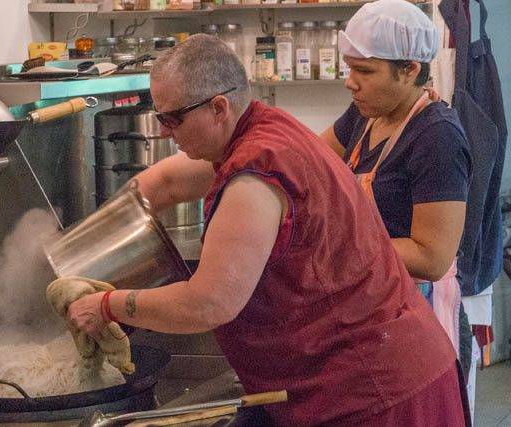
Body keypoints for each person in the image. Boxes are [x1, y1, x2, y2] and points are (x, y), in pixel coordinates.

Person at [65, 34, 468, 426]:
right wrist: (82, 241)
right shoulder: (262, 129)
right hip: (369, 372)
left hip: (372, 393)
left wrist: (105, 305)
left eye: (172, 118)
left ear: (219, 108)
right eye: (159, 118)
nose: (165, 131)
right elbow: (166, 183)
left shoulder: (255, 175)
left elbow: (209, 303)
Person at [319, 0, 471, 355]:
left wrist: (338, 245)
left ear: (409, 69)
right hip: (375, 308)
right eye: (349, 68)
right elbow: (310, 163)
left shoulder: (437, 136)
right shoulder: (365, 115)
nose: (350, 83)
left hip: (421, 314)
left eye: (365, 71)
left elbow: (432, 256)